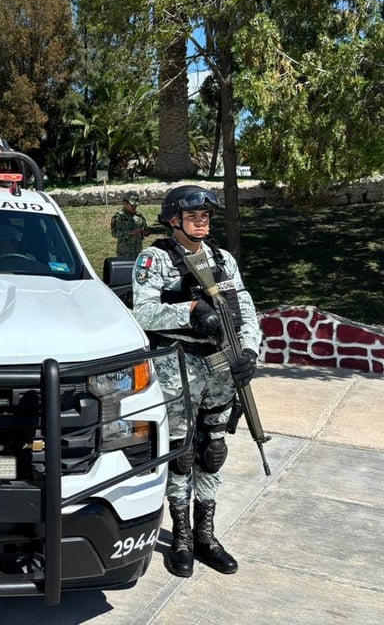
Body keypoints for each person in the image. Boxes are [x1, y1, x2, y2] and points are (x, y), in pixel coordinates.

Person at [131, 185, 260, 579]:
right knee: (182, 451)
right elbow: (143, 313)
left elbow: (247, 308)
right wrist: (189, 311)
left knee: (213, 449)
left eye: (206, 215)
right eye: (193, 215)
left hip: (221, 365)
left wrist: (251, 353)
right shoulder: (155, 260)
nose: (201, 221)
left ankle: (206, 534)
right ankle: (182, 536)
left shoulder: (223, 260)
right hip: (179, 365)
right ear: (174, 220)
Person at [110, 191, 152, 258]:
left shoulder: (139, 216)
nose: (134, 207)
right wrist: (130, 232)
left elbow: (146, 230)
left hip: (137, 253)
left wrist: (146, 232)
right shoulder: (119, 217)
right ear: (125, 203)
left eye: (136, 205)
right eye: (132, 205)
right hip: (124, 254)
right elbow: (114, 233)